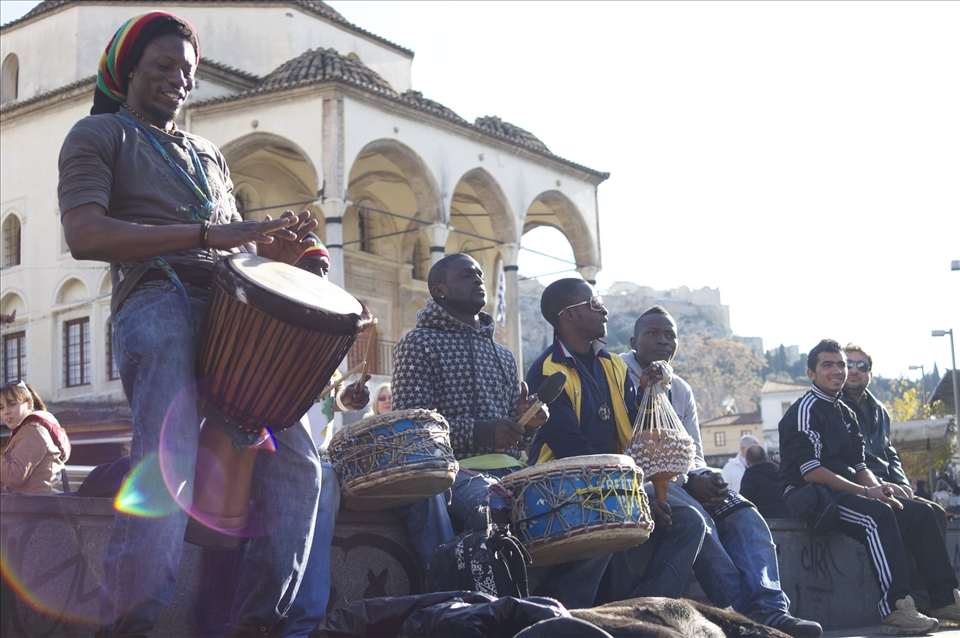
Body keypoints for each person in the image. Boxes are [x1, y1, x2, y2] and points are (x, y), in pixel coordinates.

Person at [58, 13, 322, 637]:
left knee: (300, 458)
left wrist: (274, 254)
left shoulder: (209, 156)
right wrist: (208, 235)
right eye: (162, 67)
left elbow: (232, 251)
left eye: (187, 71)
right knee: (166, 461)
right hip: (157, 300)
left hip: (234, 311)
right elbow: (84, 234)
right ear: (127, 71)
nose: (178, 80)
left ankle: (261, 625)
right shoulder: (98, 135)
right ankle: (130, 625)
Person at [620, 305, 821, 638]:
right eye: (652, 333)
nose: (662, 340)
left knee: (745, 516)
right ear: (634, 341)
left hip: (685, 480)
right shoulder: (618, 376)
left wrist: (700, 475)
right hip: (646, 483)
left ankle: (771, 610)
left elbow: (693, 449)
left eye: (670, 335)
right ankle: (744, 621)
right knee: (703, 526)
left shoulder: (680, 389)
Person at [526, 280, 706, 612]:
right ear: (569, 316)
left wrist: (647, 396)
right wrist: (633, 497)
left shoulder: (615, 366)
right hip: (567, 484)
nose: (604, 309)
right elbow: (572, 450)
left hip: (618, 482)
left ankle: (645, 610)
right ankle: (568, 613)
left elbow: (632, 426)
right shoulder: (546, 372)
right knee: (611, 523)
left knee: (691, 522)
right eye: (594, 303)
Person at [779, 339, 959, 634]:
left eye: (842, 364)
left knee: (919, 513)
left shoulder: (846, 413)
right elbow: (811, 472)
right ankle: (895, 608)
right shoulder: (805, 409)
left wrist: (883, 489)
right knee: (877, 516)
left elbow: (860, 466)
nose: (839, 370)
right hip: (813, 496)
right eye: (829, 365)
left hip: (844, 491)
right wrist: (867, 493)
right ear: (811, 373)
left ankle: (945, 600)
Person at [391, 253, 547, 542]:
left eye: (479, 274)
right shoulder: (417, 344)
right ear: (440, 291)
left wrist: (528, 424)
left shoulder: (503, 355)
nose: (477, 278)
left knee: (574, 506)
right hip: (455, 472)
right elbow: (411, 431)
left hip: (512, 469)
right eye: (466, 275)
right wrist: (480, 431)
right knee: (493, 505)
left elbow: (520, 443)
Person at [286, 237, 369, 637]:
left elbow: (329, 396)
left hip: (316, 456)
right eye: (310, 268)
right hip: (268, 451)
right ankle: (297, 622)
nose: (319, 277)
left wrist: (346, 399)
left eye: (323, 270)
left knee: (327, 476)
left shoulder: (327, 333)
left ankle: (305, 621)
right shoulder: (275, 321)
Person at [840, 343, 947, 539]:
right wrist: (882, 486)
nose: (855, 370)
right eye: (849, 364)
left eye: (862, 366)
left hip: (889, 486)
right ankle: (905, 570)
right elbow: (846, 459)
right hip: (862, 488)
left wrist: (902, 483)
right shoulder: (833, 406)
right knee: (910, 515)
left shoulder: (880, 409)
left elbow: (889, 451)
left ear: (870, 375)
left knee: (937, 513)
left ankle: (921, 570)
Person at [1, 380, 71, 495]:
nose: (6, 412)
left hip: (33, 507)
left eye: (12, 404)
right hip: (34, 505)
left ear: (29, 404)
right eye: (1, 407)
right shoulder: (28, 429)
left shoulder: (33, 431)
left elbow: (14, 476)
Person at [739, 445, 791, 519]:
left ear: (747, 462)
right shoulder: (778, 472)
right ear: (766, 458)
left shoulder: (749, 476)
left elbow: (744, 502)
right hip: (788, 518)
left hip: (764, 521)